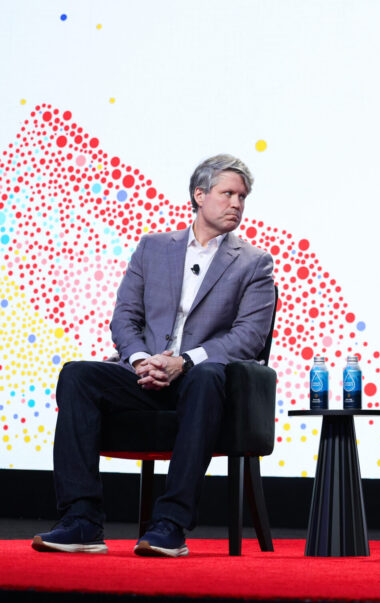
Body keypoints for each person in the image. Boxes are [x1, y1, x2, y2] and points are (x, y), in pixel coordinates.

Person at [32, 154, 275, 558]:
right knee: (77, 375)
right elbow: (125, 316)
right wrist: (141, 359)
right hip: (145, 376)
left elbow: (248, 337)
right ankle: (81, 519)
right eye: (227, 193)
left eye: (242, 197)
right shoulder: (153, 247)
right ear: (199, 195)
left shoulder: (254, 263)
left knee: (206, 377)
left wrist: (186, 361)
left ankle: (171, 524)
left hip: (202, 382)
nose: (237, 204)